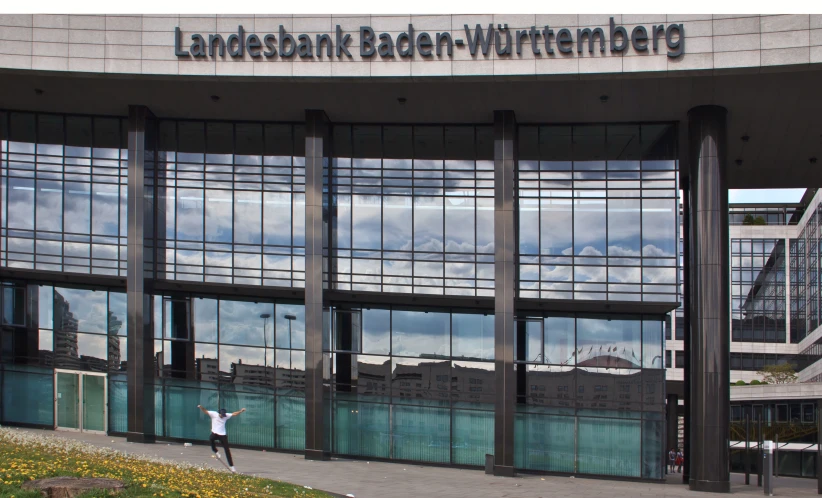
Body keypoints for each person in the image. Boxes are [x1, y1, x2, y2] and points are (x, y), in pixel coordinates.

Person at [197, 404, 246, 473]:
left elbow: (234, 414)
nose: (223, 417)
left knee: (227, 450)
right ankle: (216, 452)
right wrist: (201, 407)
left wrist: (241, 411)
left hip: (222, 435)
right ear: (219, 413)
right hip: (215, 433)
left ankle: (232, 467)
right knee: (211, 439)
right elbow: (205, 411)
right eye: (222, 415)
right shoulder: (214, 414)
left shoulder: (226, 416)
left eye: (224, 415)